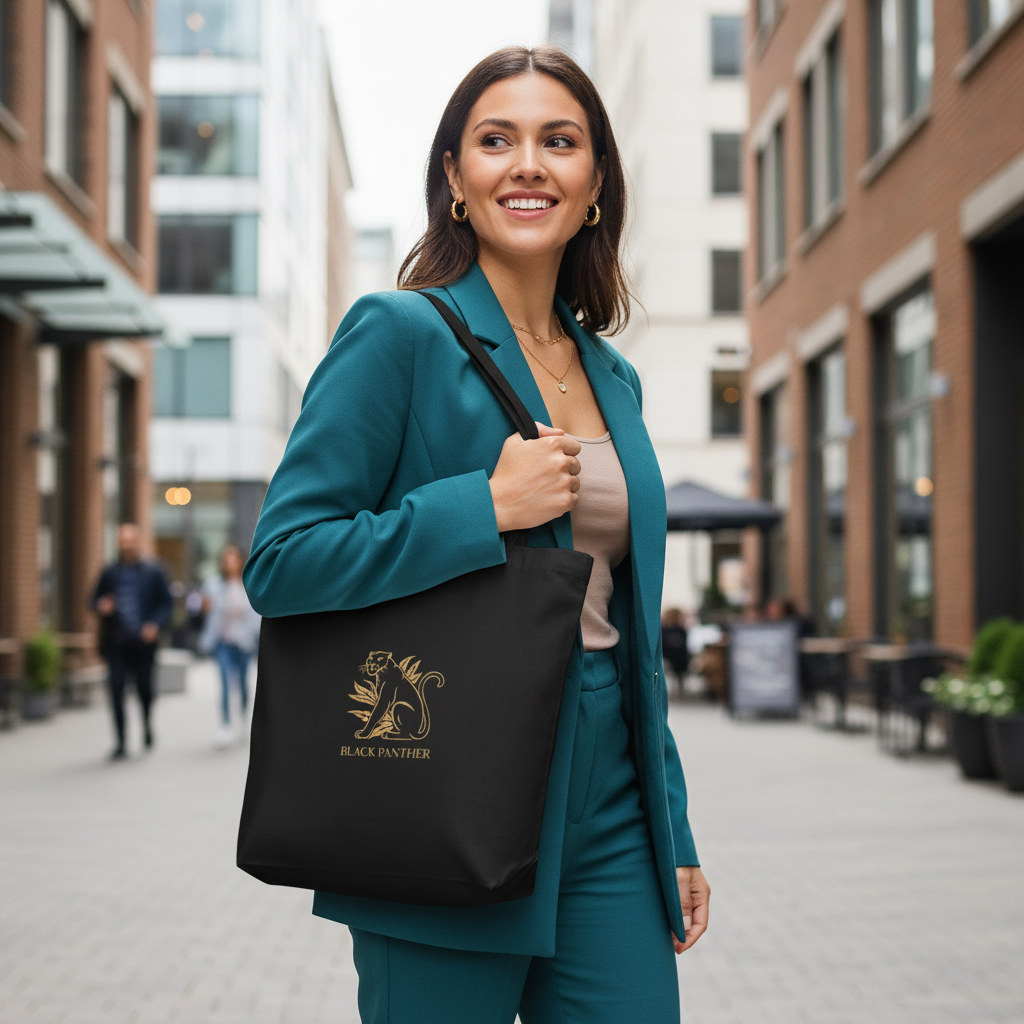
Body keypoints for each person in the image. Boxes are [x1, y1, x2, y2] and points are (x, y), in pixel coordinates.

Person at [243, 46, 709, 1024]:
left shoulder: (612, 377)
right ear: (454, 179)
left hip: (612, 801)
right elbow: (281, 562)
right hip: (449, 773)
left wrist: (673, 826)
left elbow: (625, 626)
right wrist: (480, 507)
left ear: (594, 185)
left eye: (560, 141)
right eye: (496, 141)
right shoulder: (397, 334)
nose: (528, 163)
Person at [91, 523, 172, 759]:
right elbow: (93, 598)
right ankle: (121, 741)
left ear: (137, 542)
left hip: (143, 643)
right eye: (122, 541)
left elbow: (166, 604)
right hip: (116, 643)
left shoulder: (153, 571)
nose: (126, 545)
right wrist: (101, 605)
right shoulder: (109, 572)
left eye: (130, 541)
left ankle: (146, 725)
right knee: (115, 689)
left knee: (144, 688)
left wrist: (154, 624)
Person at [199, 545, 261, 746]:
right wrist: (203, 607)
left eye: (233, 560)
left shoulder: (248, 584)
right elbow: (199, 608)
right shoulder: (213, 585)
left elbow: (257, 614)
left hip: (244, 643)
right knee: (225, 682)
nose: (229, 564)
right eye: (226, 560)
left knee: (243, 685)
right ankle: (225, 725)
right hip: (223, 642)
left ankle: (243, 718)